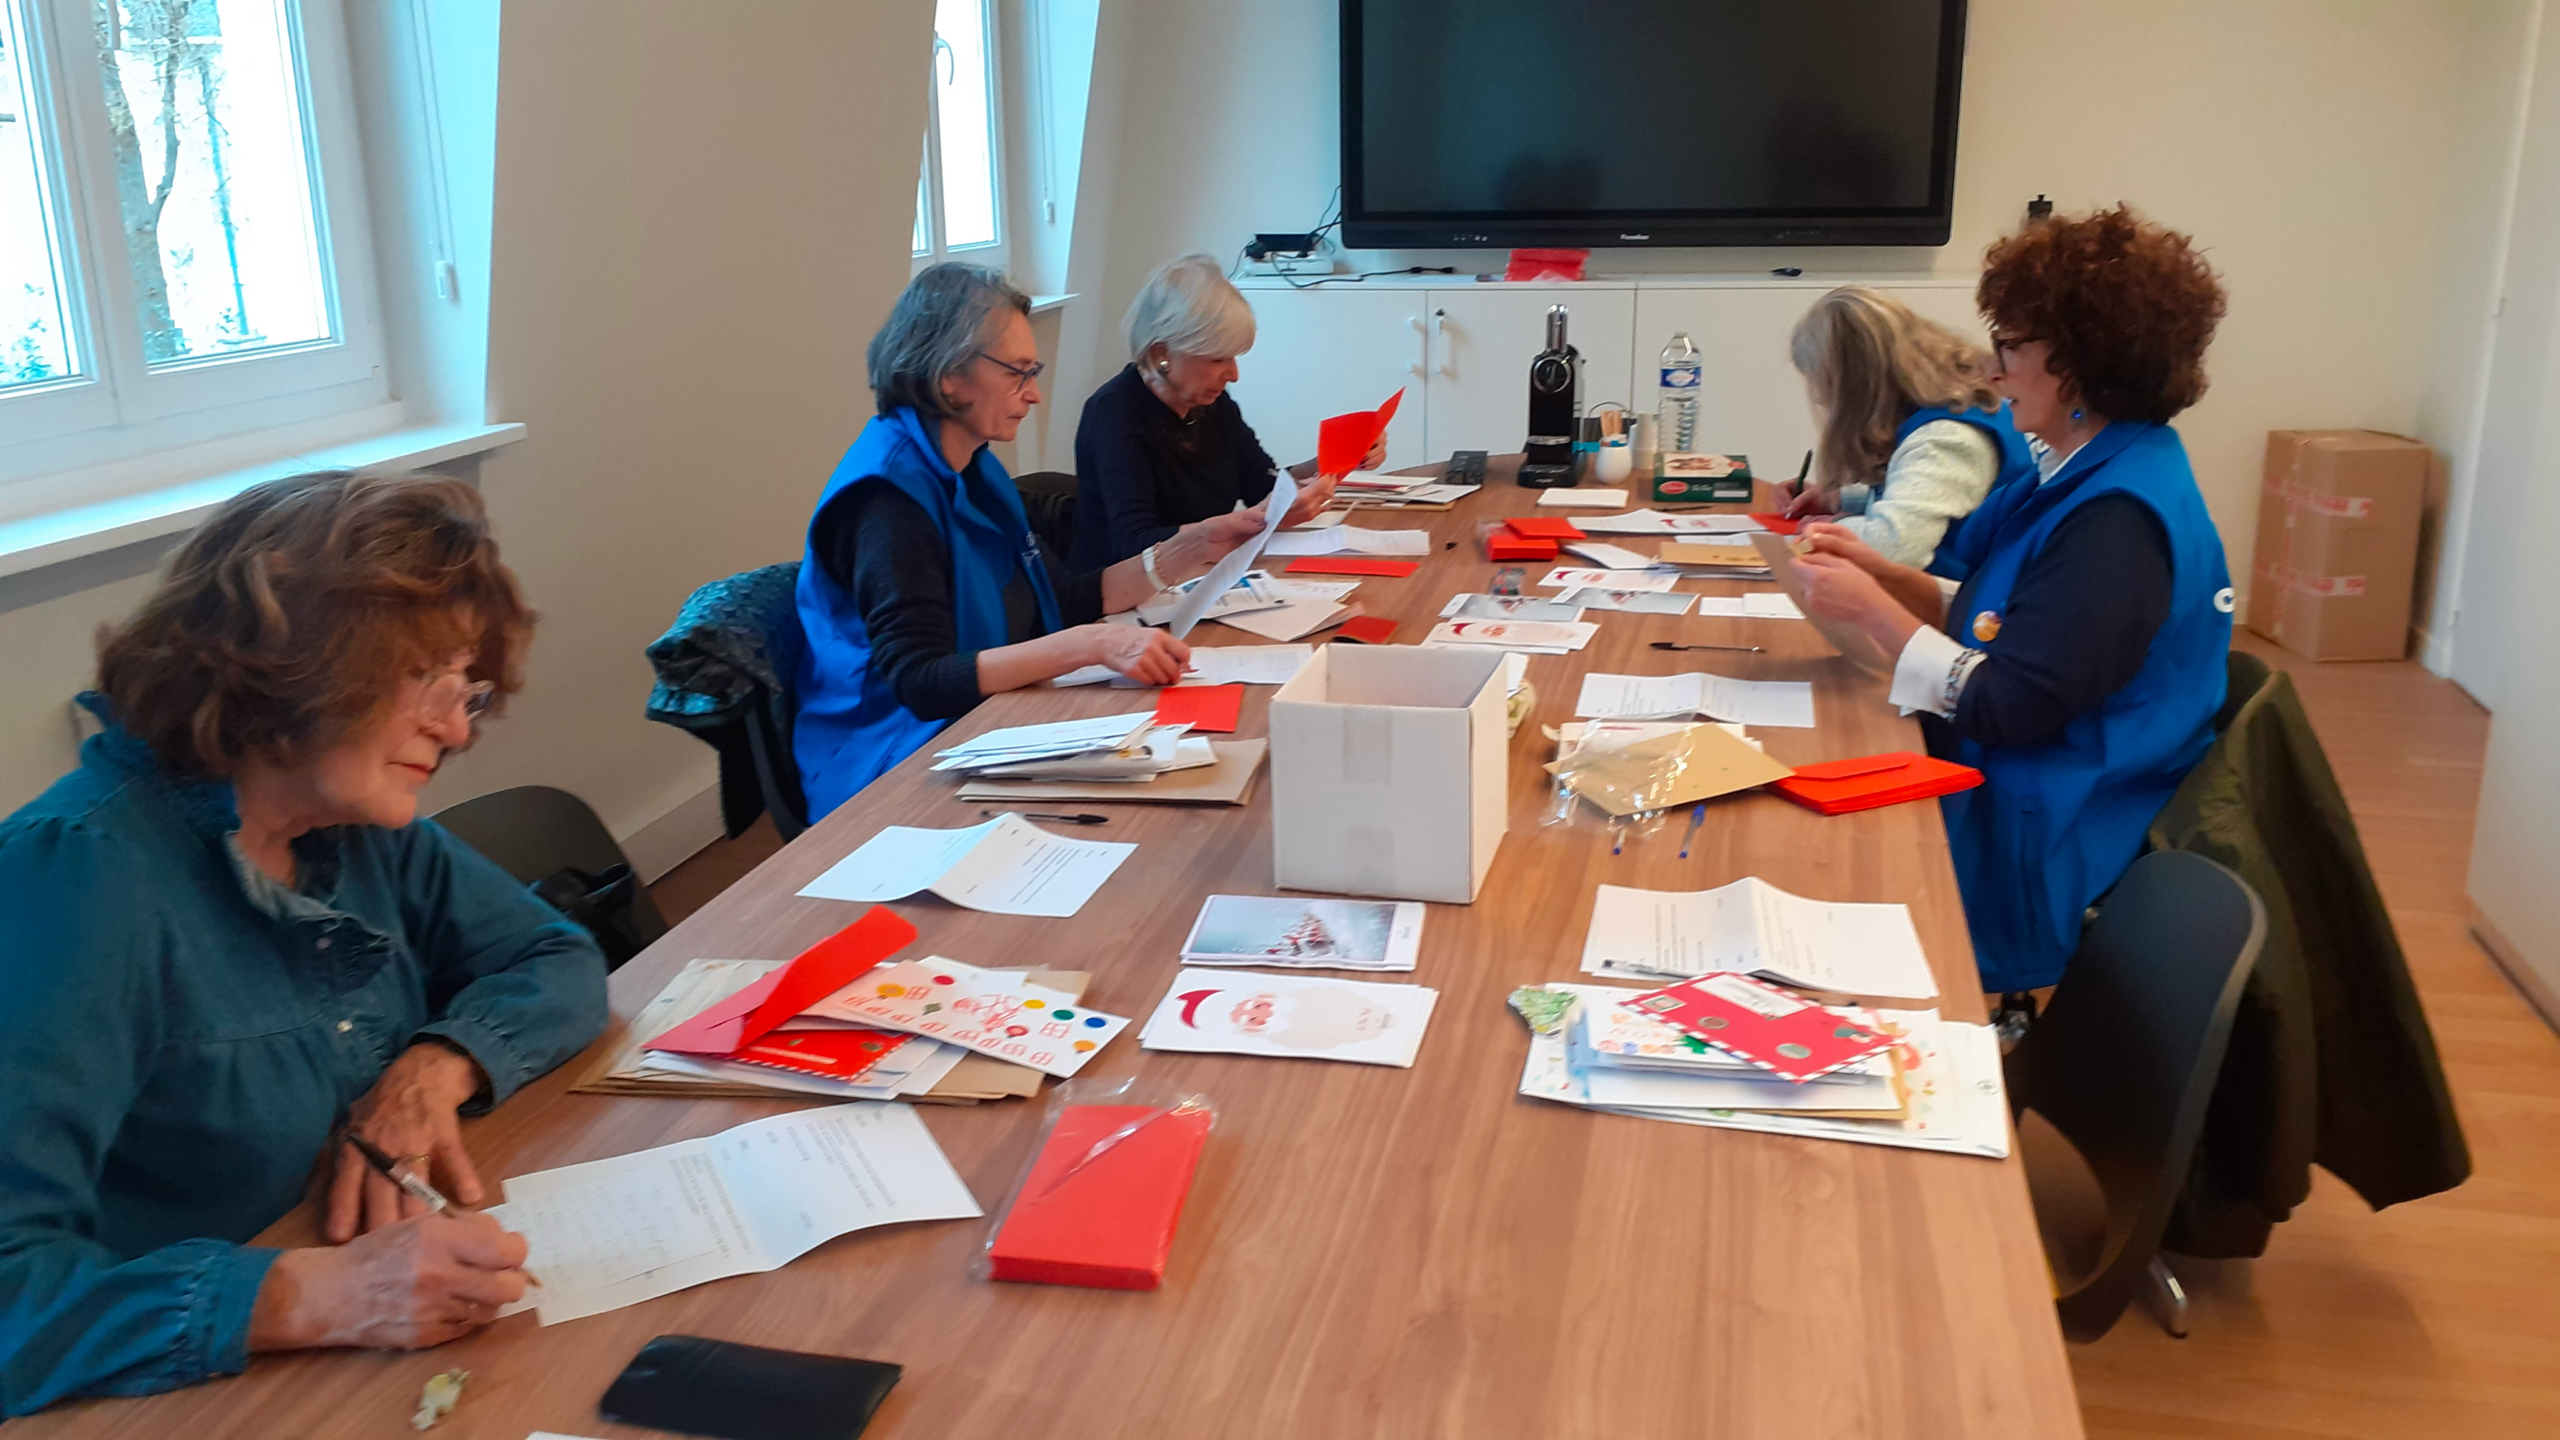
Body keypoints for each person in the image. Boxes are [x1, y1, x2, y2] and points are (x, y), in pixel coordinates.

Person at [0, 474, 609, 1414]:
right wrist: (320, 1295)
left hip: (365, 1350)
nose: (456, 727)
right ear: (296, 660)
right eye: (429, 680)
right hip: (181, 1394)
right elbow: (14, 1290)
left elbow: (559, 958)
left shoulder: (356, 826)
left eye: (468, 688)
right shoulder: (74, 880)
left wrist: (432, 1071)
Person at [1787, 206, 2235, 994]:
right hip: (2019, 787)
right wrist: (1886, 575)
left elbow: (2009, 703)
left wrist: (1873, 611)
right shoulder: (2085, 472)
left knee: (1810, 867)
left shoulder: (2118, 521)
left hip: (2045, 835)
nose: (1993, 372)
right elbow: (2006, 616)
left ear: (2078, 360)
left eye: (2012, 347)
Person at [795, 263, 1269, 819]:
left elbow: (1061, 598)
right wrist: (1092, 644)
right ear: (950, 376)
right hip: (892, 763)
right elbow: (921, 682)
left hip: (983, 722)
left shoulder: (975, 468)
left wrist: (1188, 548)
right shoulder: (887, 501)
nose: (1035, 394)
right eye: (1018, 373)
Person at [1068, 254, 1381, 570]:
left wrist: (1334, 461)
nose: (1233, 375)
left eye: (1233, 358)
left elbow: (1262, 484)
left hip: (1201, 575)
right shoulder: (1114, 413)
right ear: (1162, 353)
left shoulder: (1211, 404)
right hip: (1129, 588)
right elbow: (1134, 544)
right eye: (1217, 359)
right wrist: (1234, 526)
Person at [1769, 286, 2039, 573]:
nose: (1821, 400)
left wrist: (1835, 528)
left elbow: (1898, 548)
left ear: (1850, 389)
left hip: (1956, 594)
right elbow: (1938, 499)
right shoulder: (1947, 410)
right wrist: (1839, 500)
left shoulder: (1946, 439)